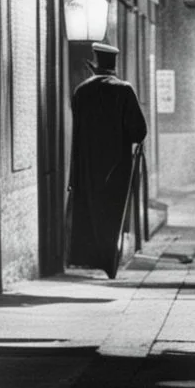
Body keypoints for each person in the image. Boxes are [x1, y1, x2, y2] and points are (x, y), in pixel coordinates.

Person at [67, 43, 147, 279]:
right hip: (116, 166)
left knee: (90, 212)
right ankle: (109, 261)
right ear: (114, 65)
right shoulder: (124, 90)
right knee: (112, 214)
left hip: (86, 165)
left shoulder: (81, 91)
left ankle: (88, 259)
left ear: (94, 65)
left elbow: (77, 131)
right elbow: (138, 132)